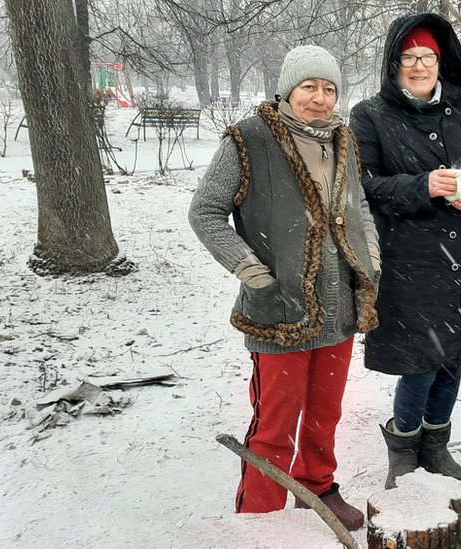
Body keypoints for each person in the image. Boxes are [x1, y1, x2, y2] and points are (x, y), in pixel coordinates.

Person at [189, 44, 379, 531]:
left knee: (325, 412)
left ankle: (317, 487)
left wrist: (370, 263)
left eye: (329, 89)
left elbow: (360, 213)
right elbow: (206, 212)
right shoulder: (248, 138)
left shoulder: (344, 140)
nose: (319, 98)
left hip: (338, 308)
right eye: (309, 87)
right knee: (273, 424)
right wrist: (253, 274)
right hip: (279, 307)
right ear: (287, 89)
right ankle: (260, 516)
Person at [350, 13, 461, 489]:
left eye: (428, 57)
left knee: (454, 354)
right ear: (393, 63)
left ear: (440, 62)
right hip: (411, 257)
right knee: (420, 359)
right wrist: (422, 186)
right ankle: (404, 445)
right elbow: (363, 186)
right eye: (410, 57)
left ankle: (437, 446)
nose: (419, 66)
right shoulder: (370, 115)